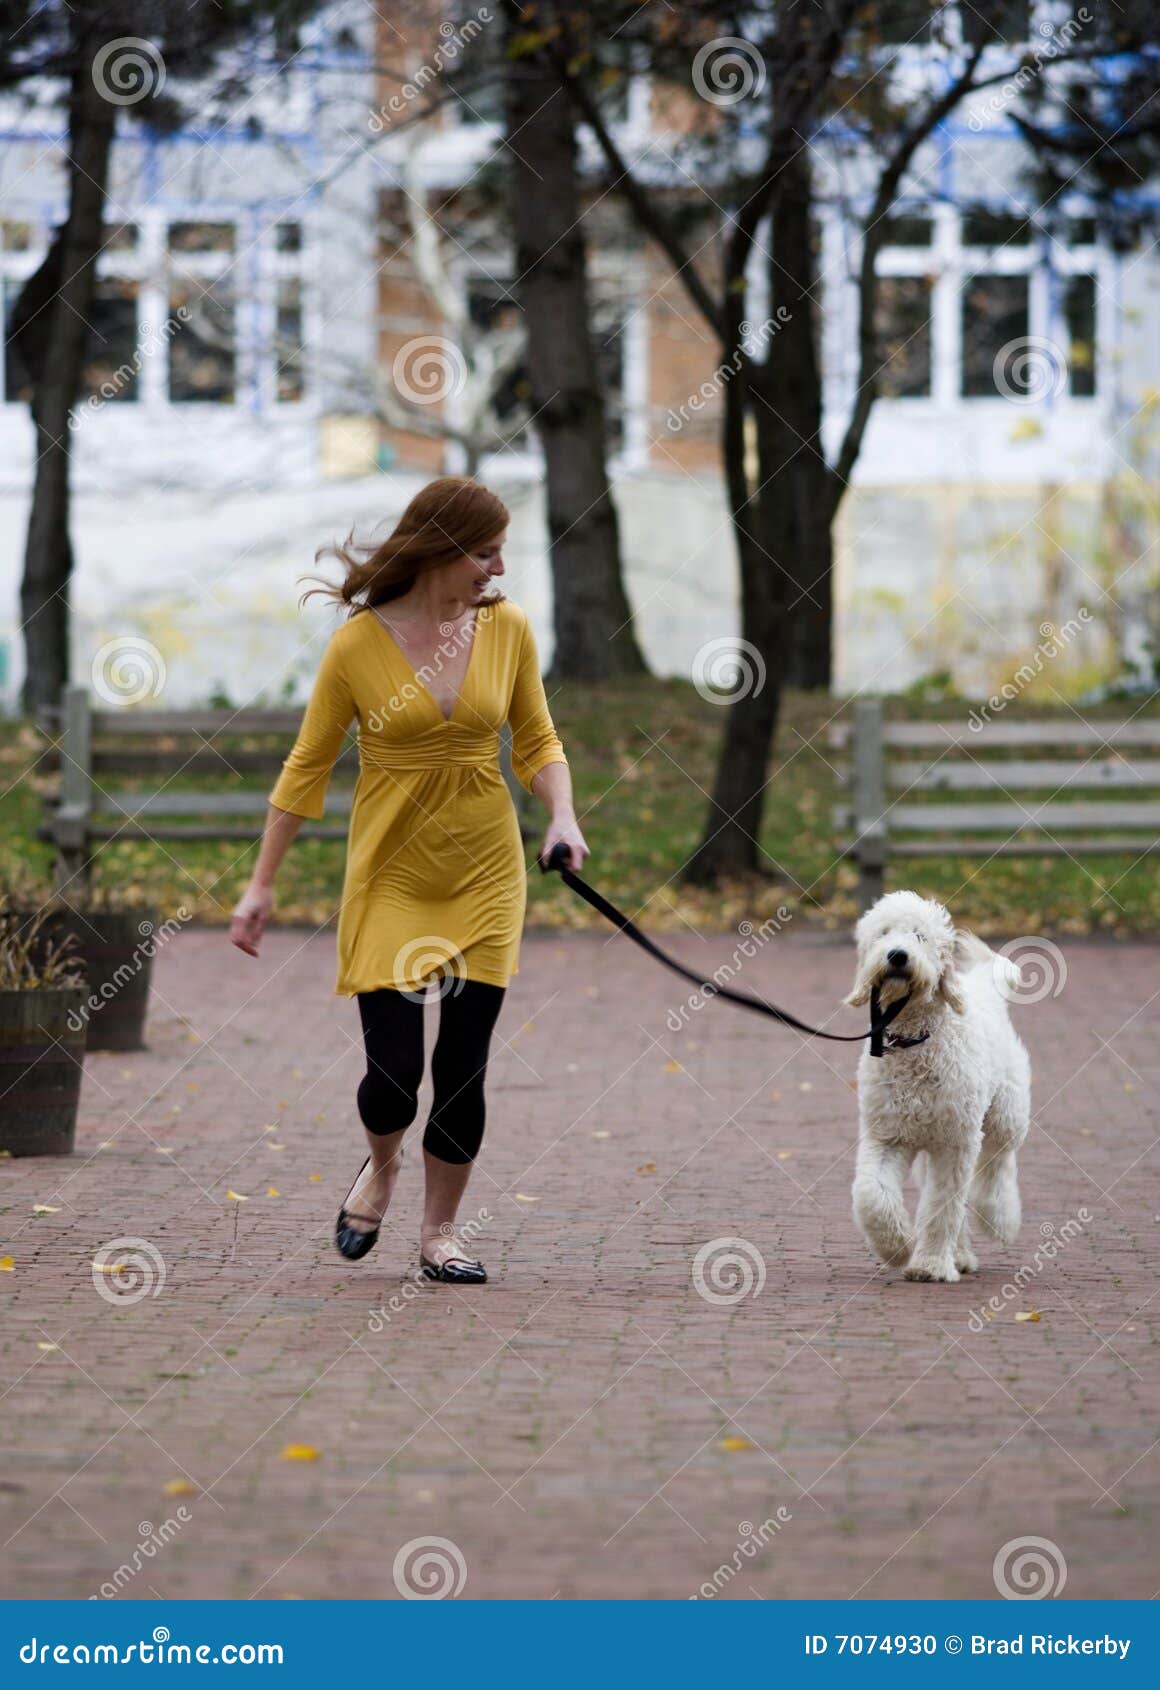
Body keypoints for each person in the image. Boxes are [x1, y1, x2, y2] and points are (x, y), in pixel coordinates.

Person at [230, 477, 588, 1283]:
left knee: (463, 1064)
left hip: (487, 870)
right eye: (486, 551)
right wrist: (261, 885)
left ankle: (440, 1234)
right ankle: (381, 1165)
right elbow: (307, 766)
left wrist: (562, 816)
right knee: (393, 1077)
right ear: (441, 548)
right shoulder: (358, 645)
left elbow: (536, 741)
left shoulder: (507, 630)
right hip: (391, 873)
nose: (498, 569)